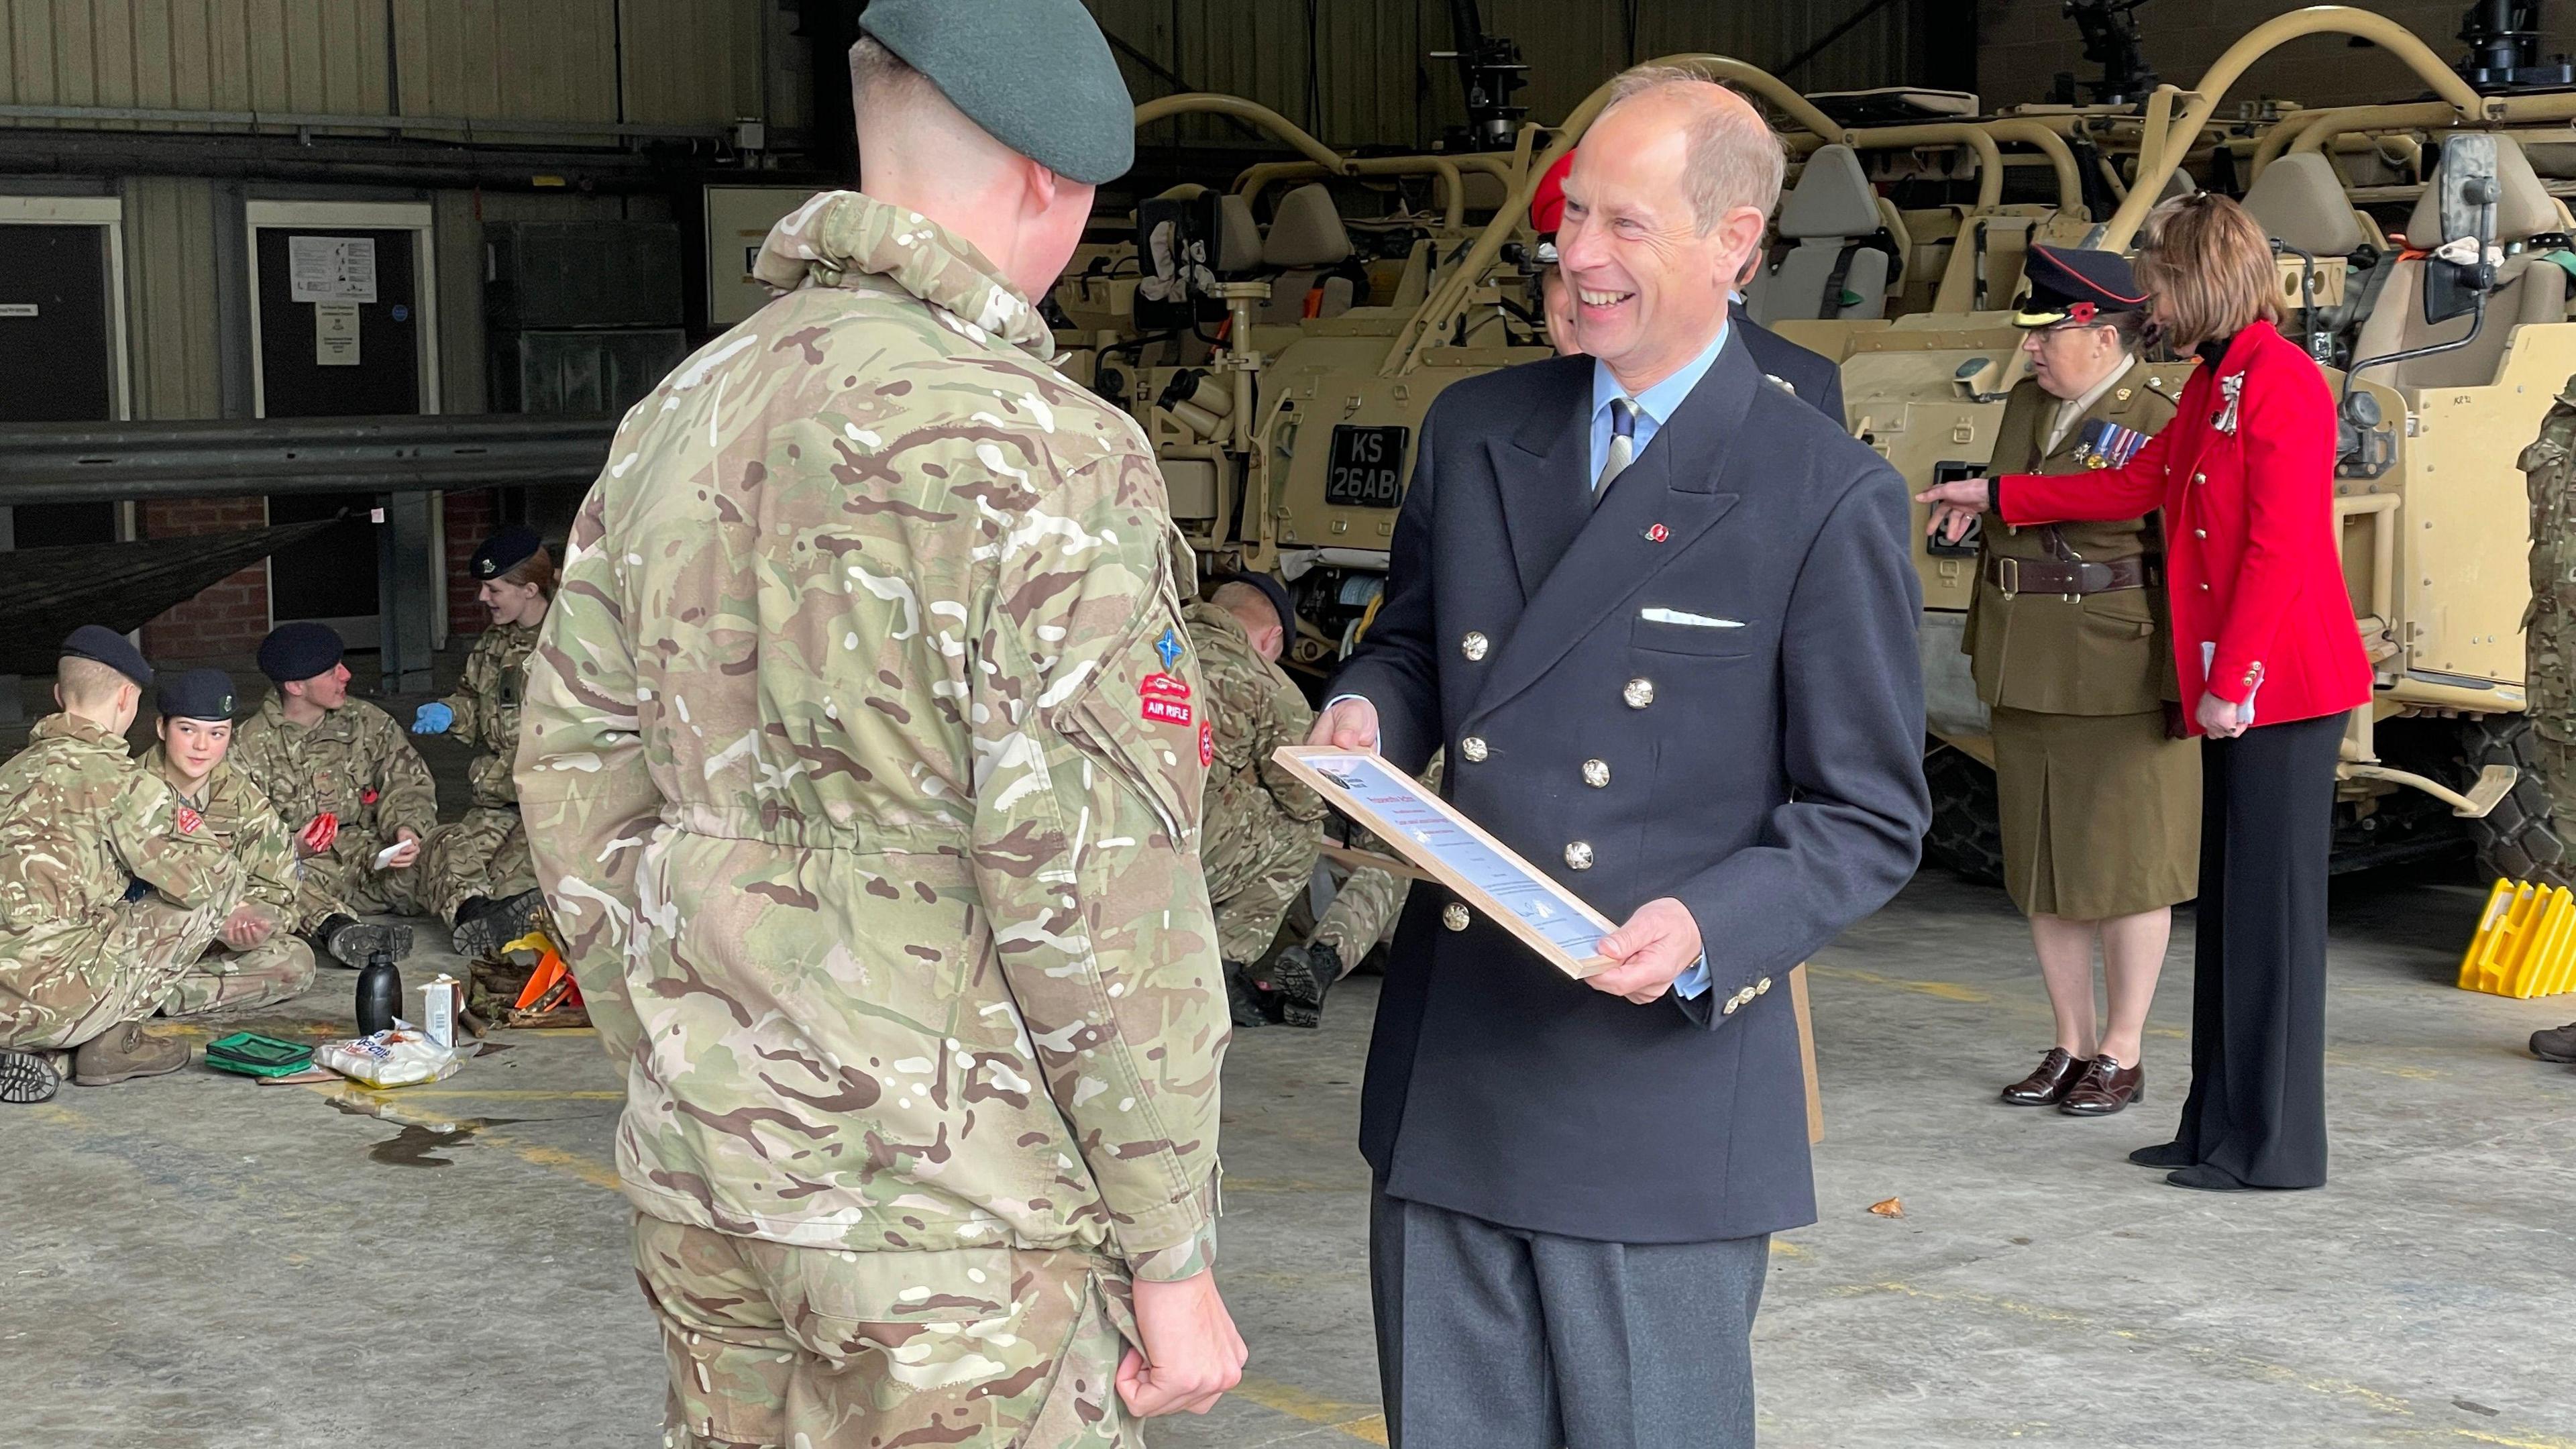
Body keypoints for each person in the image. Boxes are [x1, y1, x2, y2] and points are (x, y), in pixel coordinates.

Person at [514, 2, 1245, 1442]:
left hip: (713, 1186)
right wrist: (1172, 1249)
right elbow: (1097, 888)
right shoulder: (1047, 451)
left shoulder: (679, 412)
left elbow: (571, 780)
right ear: (1054, 181)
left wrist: (698, 1051)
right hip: (962, 1219)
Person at [1310, 68, 1928, 1446]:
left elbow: (1868, 814)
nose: (1576, 254)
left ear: (1735, 245)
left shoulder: (1818, 492)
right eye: (1572, 213)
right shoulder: (1478, 430)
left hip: (1655, 1097)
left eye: (1625, 224)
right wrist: (1367, 715)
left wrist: (1709, 926)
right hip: (1458, 1071)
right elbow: (1414, 646)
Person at [1921, 194, 2373, 1192]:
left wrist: (2234, 677)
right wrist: (1992, 496)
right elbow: (2132, 488)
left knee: (2272, 931)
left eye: (2158, 278)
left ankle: (2273, 1149)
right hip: (2242, 691)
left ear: (2200, 275)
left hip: (2282, 691)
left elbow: (2280, 545)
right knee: (2233, 926)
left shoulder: (2282, 381)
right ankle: (2213, 1127)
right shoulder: (2222, 378)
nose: (2148, 300)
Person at [1969, 245, 2192, 1118]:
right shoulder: (2029, 404)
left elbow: (2184, 557)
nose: (2029, 351)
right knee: (2045, 867)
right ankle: (2070, 1042)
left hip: (2120, 665)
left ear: (2099, 336)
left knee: (2130, 867)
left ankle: (2123, 1052)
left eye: (2044, 336)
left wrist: (2183, 680)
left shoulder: (2160, 412)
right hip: (2027, 660)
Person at [0, 629, 246, 1104]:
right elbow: (205, 880)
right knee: (216, 886)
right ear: (127, 698)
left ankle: (44, 1055)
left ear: (58, 696)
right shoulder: (125, 784)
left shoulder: (8, 775)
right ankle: (110, 1043)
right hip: (63, 997)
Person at [1529, 146, 1845, 421]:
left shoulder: (1794, 387)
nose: (1589, 290)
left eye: (1627, 254)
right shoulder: (1503, 405)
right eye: (1561, 269)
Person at [229, 622, 431, 969]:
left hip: (376, 860)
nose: (347, 675)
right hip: (309, 875)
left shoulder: (367, 722)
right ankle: (341, 931)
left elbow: (407, 782)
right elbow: (236, 835)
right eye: (331, 671)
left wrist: (407, 829)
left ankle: (474, 912)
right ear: (295, 686)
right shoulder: (247, 747)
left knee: (450, 842)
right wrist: (291, 848)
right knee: (259, 882)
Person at [1187, 571, 1325, 1028]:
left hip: (1089, 832)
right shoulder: (1268, 682)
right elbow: (1301, 797)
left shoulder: (1148, 643)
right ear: (1273, 638)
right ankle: (1220, 972)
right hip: (1178, 848)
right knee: (1302, 833)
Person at [139, 668, 317, 1016]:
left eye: (217, 733)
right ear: (162, 728)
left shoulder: (244, 801)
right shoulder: (126, 790)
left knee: (295, 962)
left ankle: (148, 998)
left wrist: (252, 918)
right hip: (140, 941)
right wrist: (209, 915)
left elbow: (280, 890)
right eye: (187, 729)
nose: (202, 746)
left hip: (208, 951)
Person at [413, 525, 552, 959]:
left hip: (550, 802)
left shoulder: (573, 641)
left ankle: (502, 914)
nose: (483, 598)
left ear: (529, 589)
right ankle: (476, 915)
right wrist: (453, 712)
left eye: (494, 589)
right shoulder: (495, 642)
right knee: (442, 848)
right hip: (495, 798)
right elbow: (475, 697)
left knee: (517, 881)